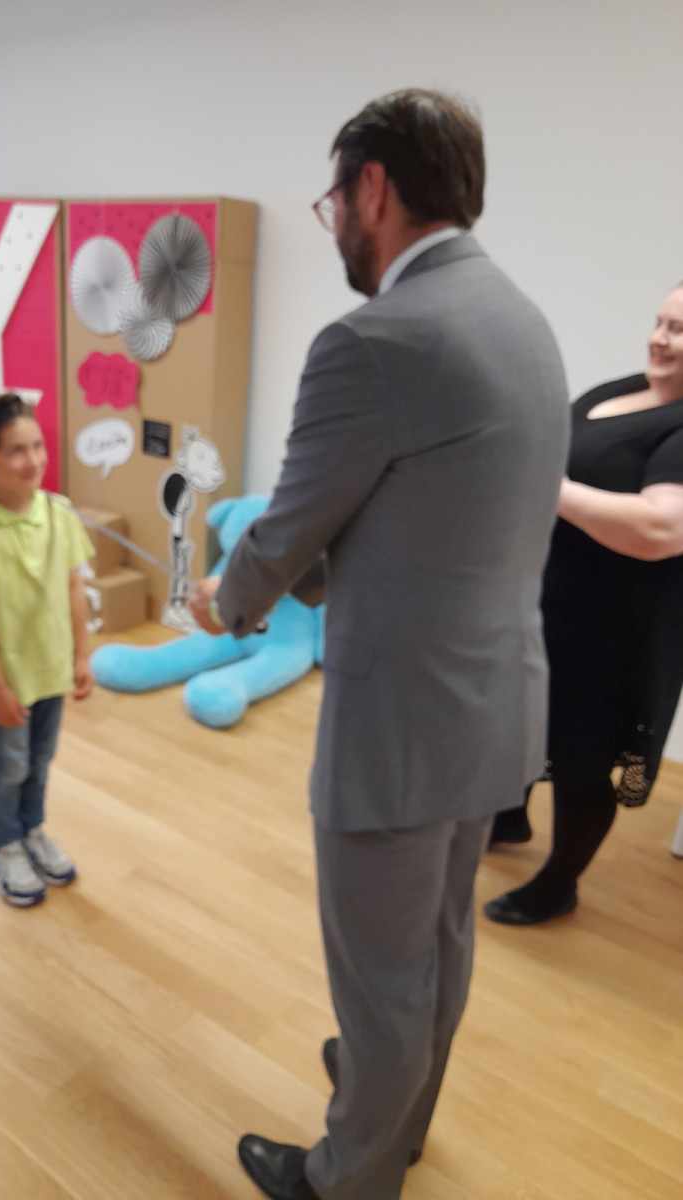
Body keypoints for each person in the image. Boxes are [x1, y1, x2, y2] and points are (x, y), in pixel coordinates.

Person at [189, 89, 569, 1200]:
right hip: (497, 706)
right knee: (438, 947)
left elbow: (294, 524)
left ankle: (346, 1175)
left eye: (333, 203)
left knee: (382, 977)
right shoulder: (523, 316)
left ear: (372, 186)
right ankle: (396, 1112)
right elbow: (412, 514)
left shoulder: (373, 341)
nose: (337, 230)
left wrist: (229, 599)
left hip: (400, 727)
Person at [486, 285, 683, 926]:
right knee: (521, 717)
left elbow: (659, 529)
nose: (659, 338)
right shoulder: (624, 389)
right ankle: (509, 817)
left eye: (679, 330)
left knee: (583, 758)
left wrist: (548, 487)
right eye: (659, 321)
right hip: (549, 600)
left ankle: (558, 883)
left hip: (614, 628)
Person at [0, 393, 95, 906]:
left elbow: (74, 586)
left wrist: (81, 655)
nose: (32, 460)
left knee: (41, 758)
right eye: (15, 450)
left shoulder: (60, 513)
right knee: (10, 764)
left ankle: (32, 830)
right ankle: (4, 844)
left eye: (37, 446)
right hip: (7, 678)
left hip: (52, 668)